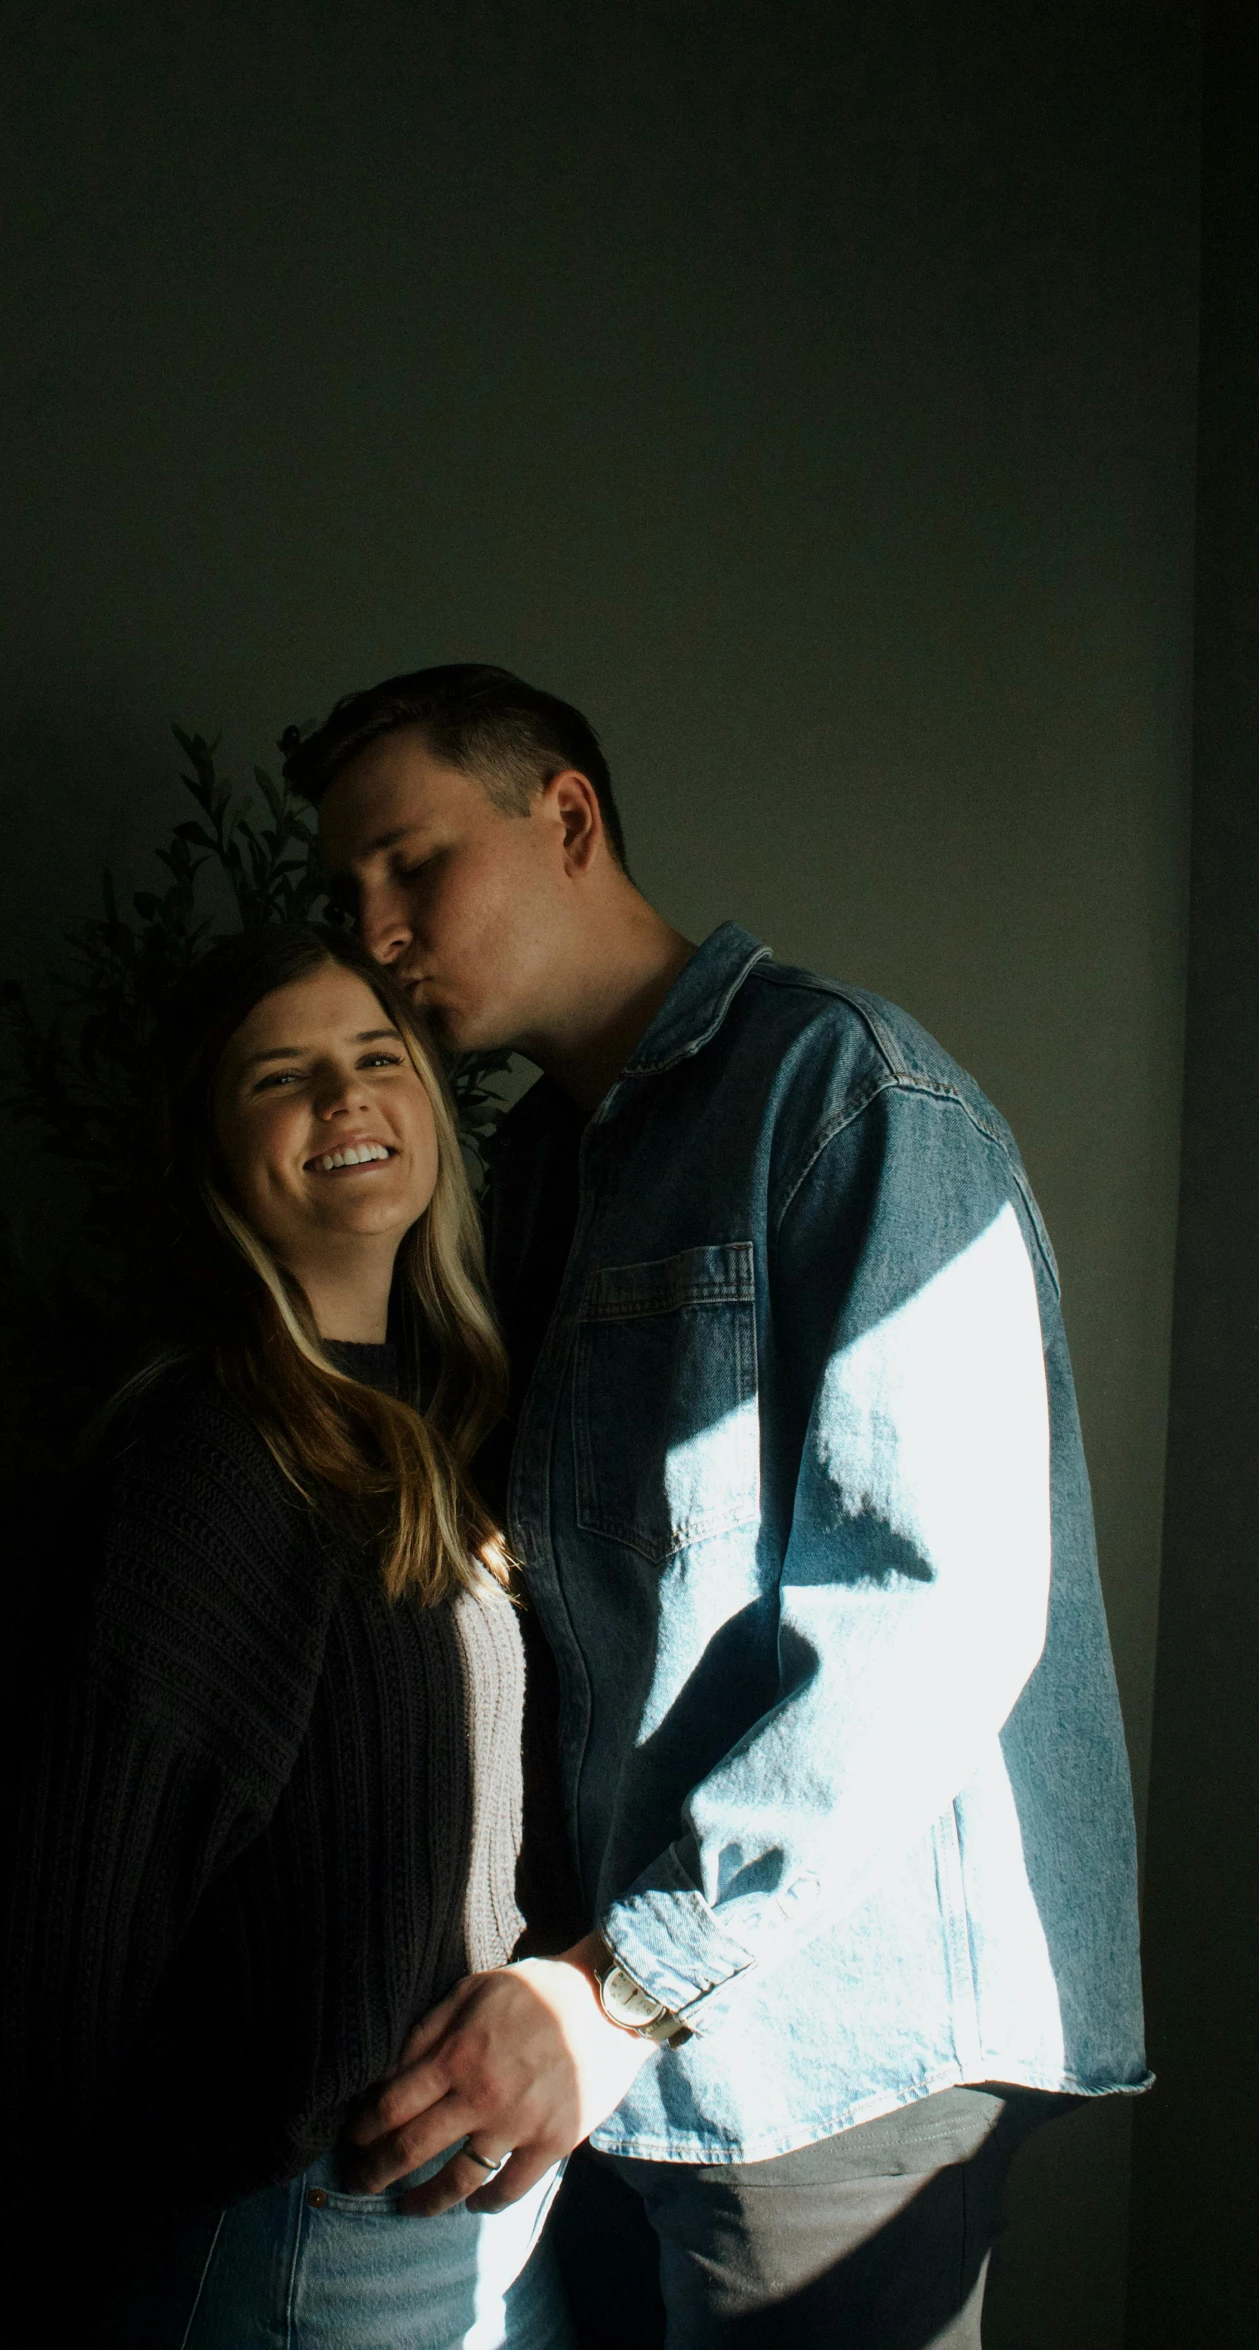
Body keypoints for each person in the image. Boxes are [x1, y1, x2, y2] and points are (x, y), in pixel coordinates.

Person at [287, 665, 1151, 2347]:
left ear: (568, 816)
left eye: (409, 862)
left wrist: (620, 1984)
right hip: (622, 2037)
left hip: (825, 2048)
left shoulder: (844, 1099)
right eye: (347, 891)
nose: (375, 926)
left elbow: (935, 1616)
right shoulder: (539, 1164)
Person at [0, 921, 574, 2350]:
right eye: (280, 1076)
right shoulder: (215, 1454)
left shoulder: (440, 1418)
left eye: (376, 1056)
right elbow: (60, 1932)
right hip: (307, 2226)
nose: (345, 1097)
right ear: (209, 1153)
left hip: (474, 2198)